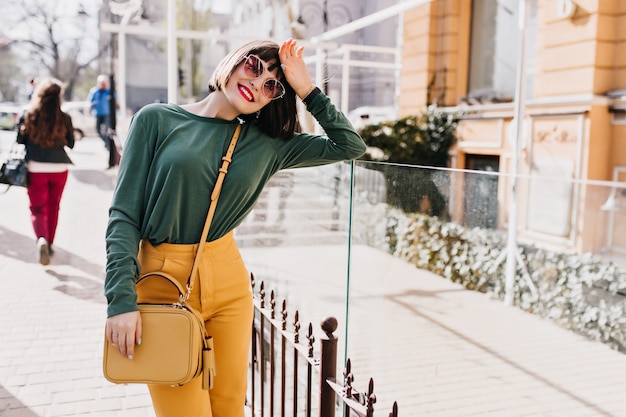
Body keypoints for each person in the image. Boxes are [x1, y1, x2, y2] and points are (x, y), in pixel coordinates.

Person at [103, 38, 366, 417]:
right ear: (233, 61)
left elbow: (349, 146)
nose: (257, 85)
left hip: (227, 282)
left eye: (273, 85)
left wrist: (306, 89)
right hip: (161, 281)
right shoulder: (156, 119)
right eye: (255, 67)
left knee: (229, 407)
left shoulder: (269, 145)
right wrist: (120, 299)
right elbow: (124, 215)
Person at [16, 77, 75, 265]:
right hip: (59, 168)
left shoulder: (29, 114)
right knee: (53, 206)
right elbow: (71, 143)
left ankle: (41, 238)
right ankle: (49, 242)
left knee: (38, 208)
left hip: (36, 167)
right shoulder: (64, 117)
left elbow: (20, 140)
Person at [87, 74, 116, 168]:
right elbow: (90, 102)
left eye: (104, 83)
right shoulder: (94, 91)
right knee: (98, 130)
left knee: (108, 130)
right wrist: (90, 107)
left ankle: (108, 144)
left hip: (107, 114)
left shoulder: (109, 91)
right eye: (101, 83)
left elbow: (116, 98)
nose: (103, 85)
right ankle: (106, 142)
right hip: (98, 113)